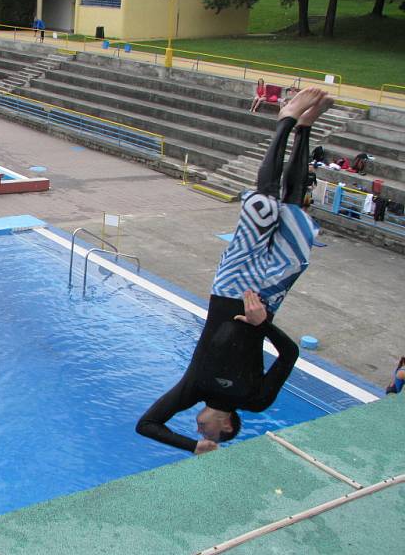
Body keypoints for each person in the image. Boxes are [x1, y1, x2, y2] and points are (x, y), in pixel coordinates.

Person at [137, 87, 333, 455]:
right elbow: (289, 354)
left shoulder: (193, 388)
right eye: (204, 430)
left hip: (230, 287)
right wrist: (263, 325)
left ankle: (286, 119)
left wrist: (191, 447)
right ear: (226, 426)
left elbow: (146, 424)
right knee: (291, 210)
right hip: (267, 298)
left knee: (264, 204)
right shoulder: (256, 401)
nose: (197, 424)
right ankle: (305, 127)